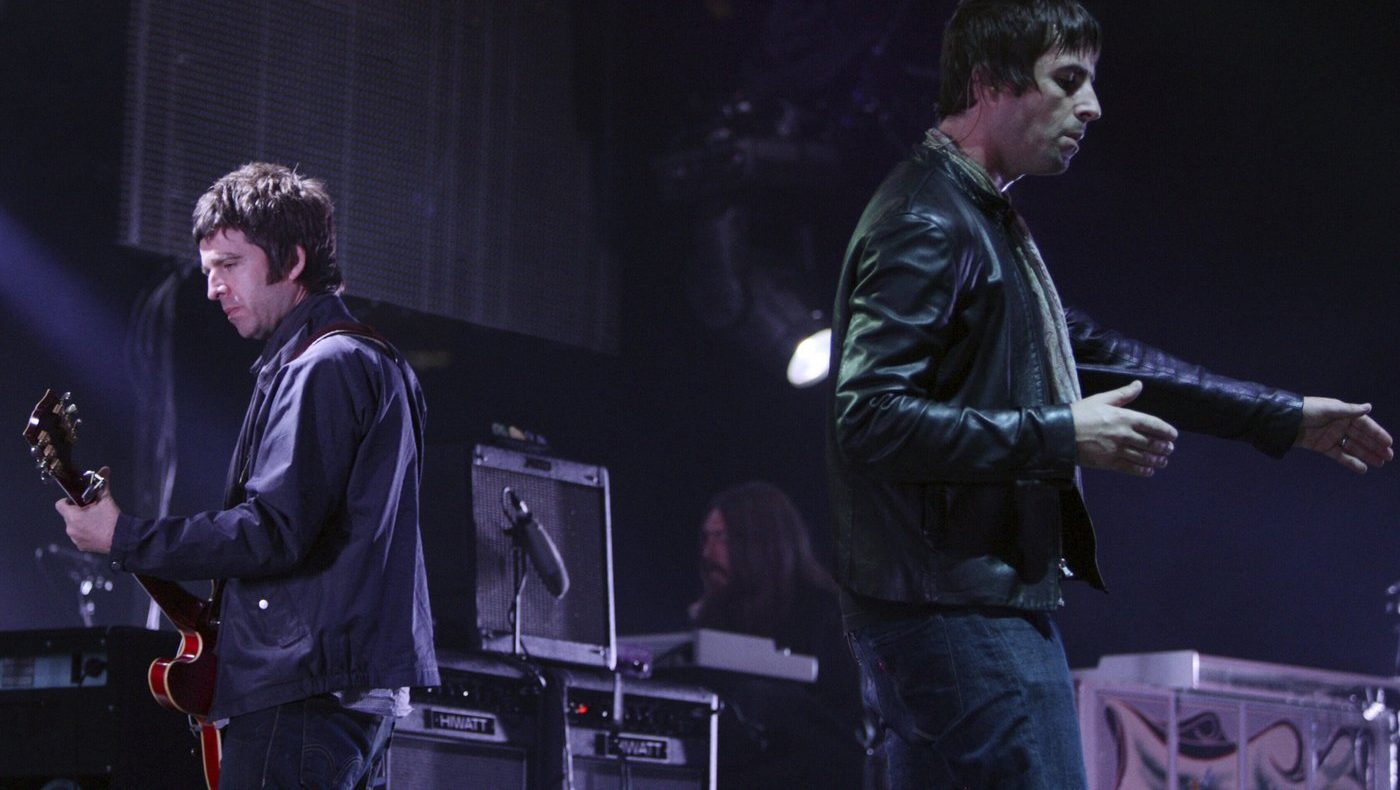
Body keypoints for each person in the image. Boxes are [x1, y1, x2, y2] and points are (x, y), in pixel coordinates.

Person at [825, 2, 1394, 787]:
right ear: (988, 84)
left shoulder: (973, 213)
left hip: (954, 610)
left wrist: (1283, 417)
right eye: (1067, 81)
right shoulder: (927, 217)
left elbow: (1098, 355)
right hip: (959, 613)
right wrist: (1059, 434)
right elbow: (870, 418)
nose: (1091, 106)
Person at [56, 162, 438, 788]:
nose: (213, 288)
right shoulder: (369, 359)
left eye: (229, 265)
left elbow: (271, 532)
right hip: (341, 692)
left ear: (293, 260)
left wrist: (123, 536)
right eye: (208, 269)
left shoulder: (324, 366)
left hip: (303, 695)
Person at [686, 481, 873, 789]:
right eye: (706, 538)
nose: (708, 553)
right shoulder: (715, 618)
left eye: (722, 537)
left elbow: (844, 730)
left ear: (761, 542)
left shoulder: (825, 615)